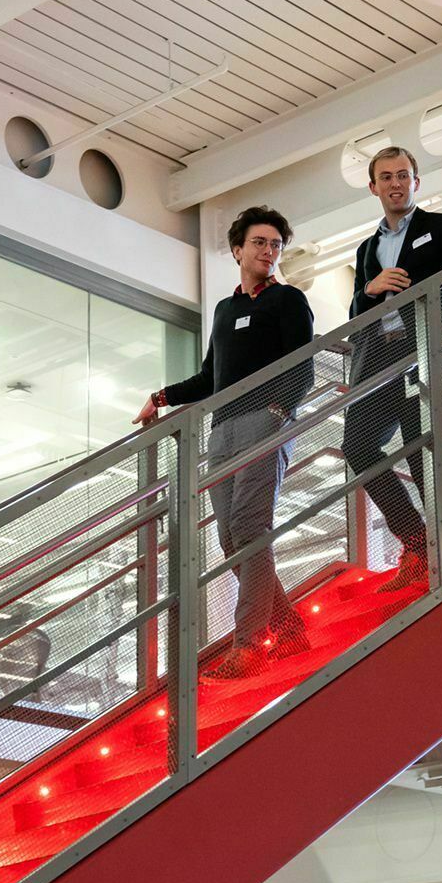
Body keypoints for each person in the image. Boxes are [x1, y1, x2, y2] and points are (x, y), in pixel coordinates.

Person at [135, 206, 314, 679]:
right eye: (259, 242)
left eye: (275, 244)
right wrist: (162, 397)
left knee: (251, 527)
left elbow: (304, 367)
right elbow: (210, 378)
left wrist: (280, 413)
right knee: (229, 536)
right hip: (222, 429)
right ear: (237, 249)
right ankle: (289, 627)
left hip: (265, 422)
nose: (268, 251)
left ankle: (250, 644)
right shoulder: (225, 308)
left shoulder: (289, 301)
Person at [343, 146, 442, 591]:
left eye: (403, 175)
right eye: (385, 177)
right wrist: (370, 288)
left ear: (416, 181)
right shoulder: (368, 248)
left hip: (428, 345)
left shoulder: (441, 226)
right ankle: (413, 540)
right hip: (379, 356)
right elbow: (354, 314)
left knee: (421, 442)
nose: (395, 183)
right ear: (373, 188)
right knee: (356, 445)